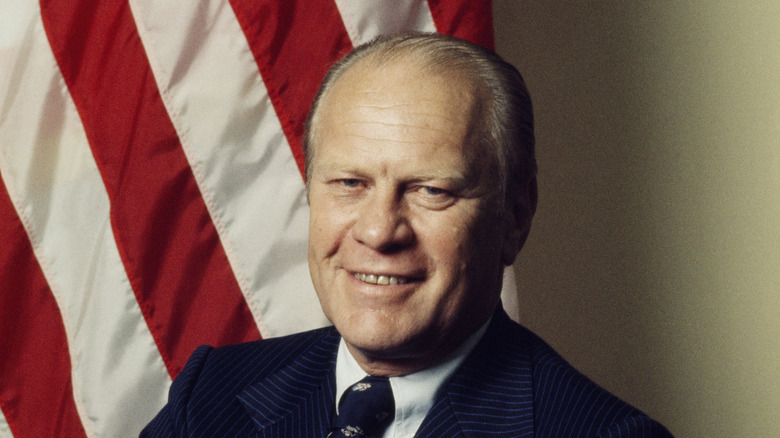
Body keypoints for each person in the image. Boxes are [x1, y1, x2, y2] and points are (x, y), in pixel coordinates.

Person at [142, 32, 673, 437]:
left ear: (514, 218)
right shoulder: (209, 395)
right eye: (350, 183)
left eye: (430, 191)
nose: (378, 231)